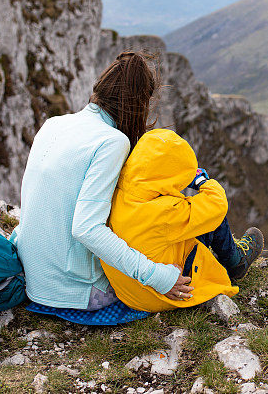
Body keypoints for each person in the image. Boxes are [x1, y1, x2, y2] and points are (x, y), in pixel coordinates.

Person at [12, 51, 193, 310]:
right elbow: (86, 229)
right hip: (74, 291)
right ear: (137, 102)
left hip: (32, 277)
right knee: (176, 225)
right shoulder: (111, 141)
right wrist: (159, 277)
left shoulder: (53, 123)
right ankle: (232, 258)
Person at [102, 128, 263, 312]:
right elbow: (217, 204)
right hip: (160, 292)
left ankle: (227, 258)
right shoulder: (166, 212)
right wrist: (202, 180)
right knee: (207, 213)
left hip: (128, 290)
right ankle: (236, 262)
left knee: (193, 216)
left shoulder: (116, 190)